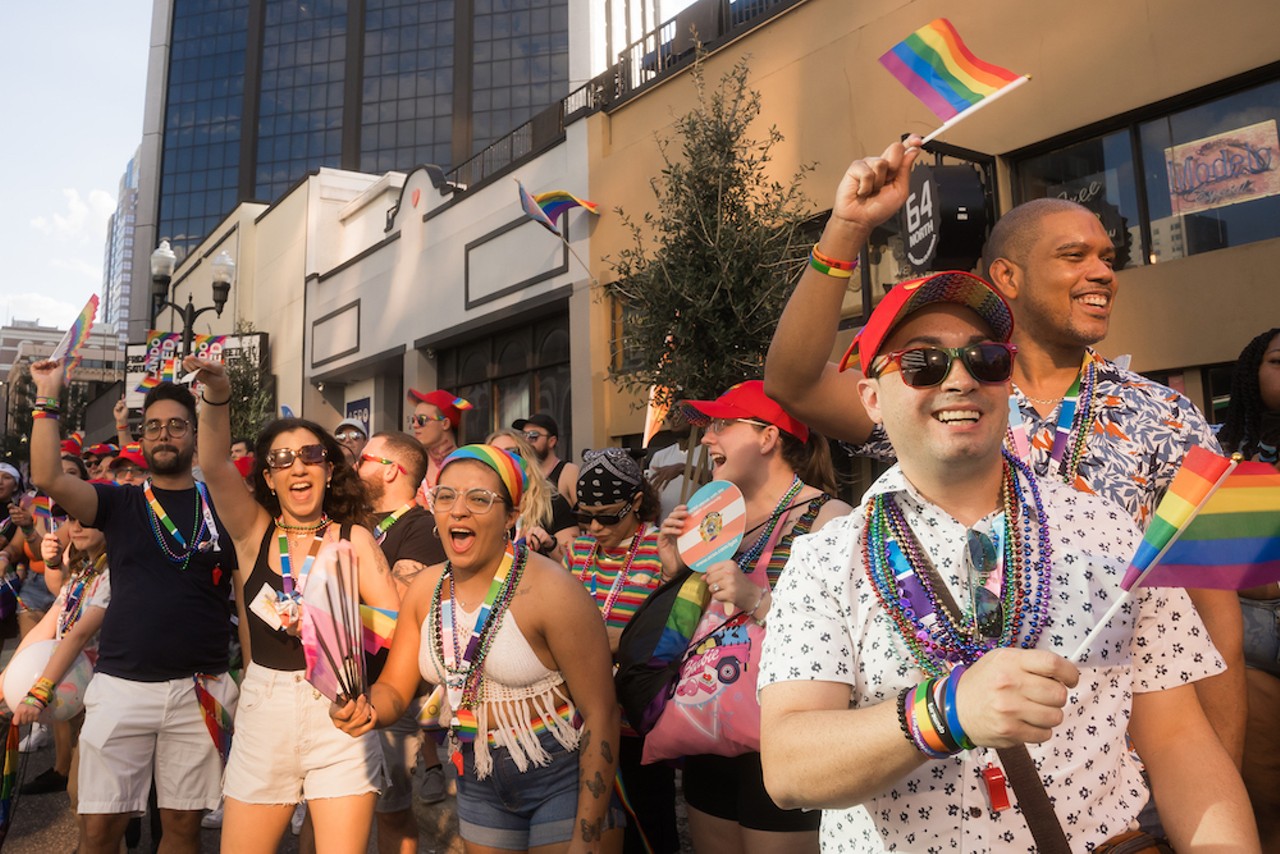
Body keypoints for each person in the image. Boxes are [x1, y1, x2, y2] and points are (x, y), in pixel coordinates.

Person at [763, 136, 1247, 769]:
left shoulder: (1165, 416)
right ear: (1008, 276)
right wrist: (848, 228)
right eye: (1073, 256)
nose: (1102, 272)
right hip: (945, 769)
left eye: (1106, 256)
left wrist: (1220, 778)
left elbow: (1215, 612)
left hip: (1128, 774)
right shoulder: (943, 397)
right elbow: (792, 381)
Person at [757, 268, 1258, 851]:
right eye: (923, 363)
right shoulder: (825, 557)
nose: (961, 380)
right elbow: (789, 768)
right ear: (870, 396)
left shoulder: (1107, 532)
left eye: (986, 359)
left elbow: (1179, 741)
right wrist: (946, 712)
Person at [331, 444, 624, 852]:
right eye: (446, 496)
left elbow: (602, 713)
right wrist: (365, 709)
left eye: (479, 498)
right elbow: (395, 689)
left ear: (512, 514)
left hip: (561, 774)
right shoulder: (425, 589)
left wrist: (586, 836)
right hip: (477, 775)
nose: (459, 510)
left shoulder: (553, 591)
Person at [184, 355, 399, 854]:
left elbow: (390, 624)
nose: (296, 466)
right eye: (281, 460)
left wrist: (336, 643)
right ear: (269, 477)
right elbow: (214, 464)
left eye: (309, 455)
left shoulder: (355, 538)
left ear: (328, 468)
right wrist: (217, 392)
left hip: (341, 711)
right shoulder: (254, 532)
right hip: (266, 708)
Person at [28, 362, 238, 854]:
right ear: (142, 440)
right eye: (154, 427)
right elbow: (47, 476)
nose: (164, 435)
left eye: (177, 425)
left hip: (200, 690)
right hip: (123, 688)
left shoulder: (225, 508)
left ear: (193, 434)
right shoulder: (119, 503)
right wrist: (45, 395)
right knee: (100, 831)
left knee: (183, 828)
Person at [655, 380, 849, 854]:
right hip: (709, 731)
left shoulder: (830, 518)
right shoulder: (713, 523)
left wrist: (754, 598)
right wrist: (673, 567)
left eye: (722, 425)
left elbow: (845, 642)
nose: (706, 439)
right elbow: (693, 632)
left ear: (767, 437)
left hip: (785, 741)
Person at [568, 447, 676, 854]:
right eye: (584, 516)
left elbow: (673, 634)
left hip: (639, 720)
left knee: (650, 827)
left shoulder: (662, 548)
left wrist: (618, 644)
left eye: (607, 516)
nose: (594, 527)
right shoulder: (578, 552)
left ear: (635, 503)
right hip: (582, 717)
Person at [355, 428, 451, 842]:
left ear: (392, 471)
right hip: (345, 684)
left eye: (363, 461)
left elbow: (399, 606)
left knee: (390, 813)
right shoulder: (356, 521)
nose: (354, 467)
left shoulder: (423, 527)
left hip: (392, 692)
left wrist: (360, 541)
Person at [1217, 326, 1280, 847]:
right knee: (1263, 793)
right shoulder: (1222, 448)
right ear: (1251, 373)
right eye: (1279, 361)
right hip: (1249, 631)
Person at [4, 515, 110, 802]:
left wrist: (38, 692)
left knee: (88, 796)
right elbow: (48, 625)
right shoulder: (82, 574)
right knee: (83, 796)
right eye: (72, 520)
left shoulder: (113, 574)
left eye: (86, 521)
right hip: (77, 684)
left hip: (106, 691)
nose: (74, 528)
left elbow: (77, 635)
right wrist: (5, 679)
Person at [487, 427, 578, 560]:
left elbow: (575, 564)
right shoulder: (480, 504)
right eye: (494, 455)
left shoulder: (553, 502)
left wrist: (550, 545)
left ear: (526, 457)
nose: (503, 459)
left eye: (512, 452)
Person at [407, 389, 467, 505]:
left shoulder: (468, 465)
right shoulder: (412, 467)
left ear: (445, 424)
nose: (415, 425)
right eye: (413, 420)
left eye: (422, 420)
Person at [513, 413, 580, 508]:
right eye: (524, 435)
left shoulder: (569, 472)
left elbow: (583, 515)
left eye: (533, 436)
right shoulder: (521, 472)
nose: (527, 441)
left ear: (551, 441)